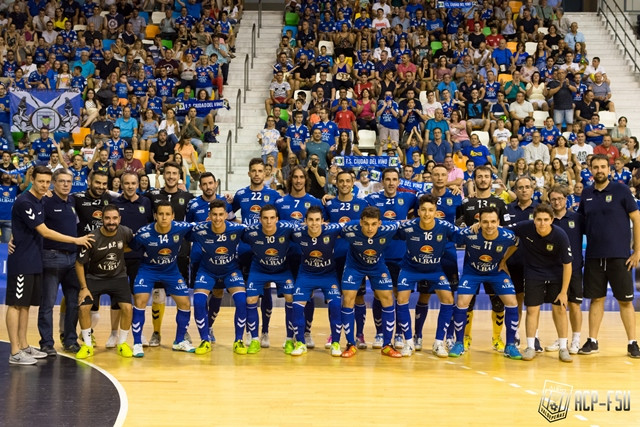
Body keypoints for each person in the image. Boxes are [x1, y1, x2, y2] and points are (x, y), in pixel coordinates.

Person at [6, 166, 93, 365]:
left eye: (46, 182)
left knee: (25, 305)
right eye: (41, 181)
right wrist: (76, 240)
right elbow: (44, 231)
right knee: (16, 304)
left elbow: (22, 225)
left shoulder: (41, 201)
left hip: (35, 260)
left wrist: (14, 235)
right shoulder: (27, 201)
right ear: (32, 179)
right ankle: (15, 351)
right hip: (24, 260)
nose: (44, 185)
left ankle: (24, 345)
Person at [577, 154, 640, 358]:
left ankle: (632, 343)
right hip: (595, 257)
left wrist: (637, 251)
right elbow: (578, 224)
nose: (599, 170)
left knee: (625, 301)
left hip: (620, 256)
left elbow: (637, 220)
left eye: (603, 166)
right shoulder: (586, 193)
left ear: (609, 169)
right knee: (596, 299)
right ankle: (592, 340)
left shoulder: (621, 190)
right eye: (595, 167)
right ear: (590, 170)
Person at [448, 206, 521, 359]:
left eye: (493, 221)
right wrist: (468, 228)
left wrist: (504, 260)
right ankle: (459, 343)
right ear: (479, 222)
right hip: (472, 272)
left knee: (512, 302)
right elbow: (453, 237)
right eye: (485, 222)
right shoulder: (470, 233)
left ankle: (510, 345)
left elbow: (516, 244)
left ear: (498, 222)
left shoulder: (507, 235)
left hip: (496, 272)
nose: (489, 225)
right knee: (462, 302)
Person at [130, 201, 194, 357]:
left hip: (171, 271)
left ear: (173, 216)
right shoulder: (144, 233)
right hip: (148, 270)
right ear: (155, 216)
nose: (164, 217)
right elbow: (129, 246)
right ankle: (137, 343)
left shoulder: (182, 227)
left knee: (185, 303)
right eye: (160, 214)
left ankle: (179, 341)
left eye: (167, 214)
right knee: (140, 300)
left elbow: (200, 227)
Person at [510, 204, 573, 362]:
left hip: (556, 274)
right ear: (534, 219)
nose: (542, 223)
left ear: (552, 220)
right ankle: (531, 346)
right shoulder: (525, 228)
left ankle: (563, 347)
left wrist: (564, 292)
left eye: (546, 220)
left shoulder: (560, 235)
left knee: (559, 310)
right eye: (539, 220)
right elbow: (502, 228)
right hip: (533, 274)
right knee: (532, 310)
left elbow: (568, 265)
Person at [396, 194, 457, 357]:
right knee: (401, 299)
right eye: (423, 210)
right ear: (418, 211)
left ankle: (439, 342)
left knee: (448, 299)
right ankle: (408, 342)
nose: (427, 214)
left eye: (431, 210)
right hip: (410, 269)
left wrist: (475, 228)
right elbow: (387, 231)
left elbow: (463, 235)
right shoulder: (408, 226)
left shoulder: (444, 226)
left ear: (436, 211)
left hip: (435, 270)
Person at [230, 158, 281, 348]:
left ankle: (265, 331)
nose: (257, 174)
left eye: (260, 171)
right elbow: (228, 214)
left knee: (266, 289)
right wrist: (238, 226)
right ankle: (247, 330)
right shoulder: (241, 194)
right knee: (246, 293)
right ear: (249, 173)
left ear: (265, 173)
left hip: (266, 250)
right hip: (245, 249)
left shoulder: (273, 195)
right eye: (254, 171)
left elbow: (280, 221)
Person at [458, 166, 510, 350]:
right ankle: (465, 338)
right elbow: (458, 229)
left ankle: (497, 339)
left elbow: (508, 232)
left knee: (498, 301)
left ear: (491, 179)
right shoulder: (466, 204)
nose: (483, 180)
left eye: (486, 177)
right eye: (479, 177)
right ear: (474, 179)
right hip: (472, 262)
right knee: (468, 301)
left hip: (495, 262)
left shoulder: (500, 203)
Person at [339, 206, 401, 358]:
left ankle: (387, 345)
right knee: (348, 298)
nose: (369, 228)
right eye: (366, 224)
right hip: (354, 266)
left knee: (387, 297)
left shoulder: (389, 227)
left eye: (373, 224)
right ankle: (350, 344)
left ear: (380, 223)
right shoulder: (349, 227)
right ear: (361, 222)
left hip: (377, 266)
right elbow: (329, 228)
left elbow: (407, 223)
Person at [144, 162, 194, 347]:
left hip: (180, 254)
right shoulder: (152, 196)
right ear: (162, 175)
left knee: (181, 296)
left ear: (179, 175)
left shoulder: (188, 197)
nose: (171, 176)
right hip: (156, 255)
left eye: (175, 173)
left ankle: (183, 331)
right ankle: (156, 332)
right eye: (168, 173)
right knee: (158, 294)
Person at [365, 168, 416, 349]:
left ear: (399, 181)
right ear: (382, 181)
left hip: (402, 256)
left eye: (395, 179)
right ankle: (380, 333)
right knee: (380, 296)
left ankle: (400, 334)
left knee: (400, 297)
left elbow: (431, 201)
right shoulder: (372, 200)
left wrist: (458, 190)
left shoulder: (409, 198)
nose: (391, 183)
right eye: (388, 179)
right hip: (380, 256)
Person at [75, 204, 134, 359]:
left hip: (118, 277)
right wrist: (83, 287)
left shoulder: (125, 232)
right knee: (83, 308)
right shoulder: (92, 237)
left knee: (127, 308)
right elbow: (79, 263)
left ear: (119, 219)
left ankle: (122, 343)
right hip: (95, 278)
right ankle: (87, 346)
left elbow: (131, 246)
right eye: (107, 218)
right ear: (101, 219)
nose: (111, 221)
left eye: (114, 218)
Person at [189, 199, 248, 354]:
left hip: (230, 270)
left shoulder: (237, 228)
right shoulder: (200, 229)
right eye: (214, 215)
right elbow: (179, 228)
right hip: (207, 270)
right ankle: (204, 340)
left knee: (242, 300)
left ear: (226, 215)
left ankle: (238, 340)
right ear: (209, 215)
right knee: (199, 300)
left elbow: (258, 230)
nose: (217, 218)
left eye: (221, 215)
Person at [37, 169, 82, 357]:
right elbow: (34, 225)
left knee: (73, 302)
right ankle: (46, 343)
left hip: (73, 259)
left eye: (69, 181)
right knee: (47, 303)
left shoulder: (72, 201)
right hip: (51, 257)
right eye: (62, 181)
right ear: (54, 183)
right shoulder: (45, 202)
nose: (66, 184)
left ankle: (70, 340)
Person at [241, 205, 297, 354]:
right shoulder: (251, 232)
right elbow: (235, 233)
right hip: (259, 269)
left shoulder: (287, 228)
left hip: (282, 269)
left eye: (272, 218)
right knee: (251, 299)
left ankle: (290, 339)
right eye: (265, 218)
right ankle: (254, 339)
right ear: (260, 219)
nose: (269, 221)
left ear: (277, 219)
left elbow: (305, 228)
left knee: (291, 297)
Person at [289, 207, 343, 356]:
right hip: (306, 275)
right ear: (305, 221)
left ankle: (336, 343)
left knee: (336, 305)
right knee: (297, 306)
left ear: (323, 221)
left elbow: (353, 223)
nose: (314, 224)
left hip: (328, 275)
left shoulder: (332, 230)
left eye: (317, 220)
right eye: (311, 220)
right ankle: (300, 343)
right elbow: (280, 224)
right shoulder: (298, 233)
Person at [546, 185, 585, 355]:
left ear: (566, 199)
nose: (557, 202)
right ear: (549, 201)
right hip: (554, 269)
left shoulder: (577, 218)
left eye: (560, 198)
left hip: (574, 268)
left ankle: (576, 339)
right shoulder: (547, 220)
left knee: (575, 305)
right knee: (558, 306)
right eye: (553, 199)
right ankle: (562, 338)